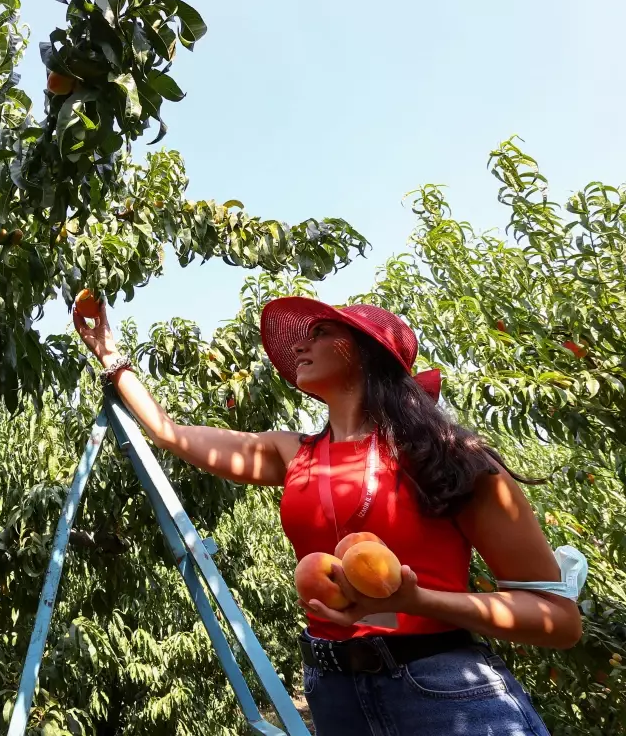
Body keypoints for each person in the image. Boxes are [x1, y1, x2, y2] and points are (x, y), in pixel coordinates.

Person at [73, 296, 581, 736]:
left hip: (442, 686)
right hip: (332, 691)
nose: (300, 344)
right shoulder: (292, 454)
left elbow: (559, 621)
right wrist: (111, 356)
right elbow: (170, 434)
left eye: (322, 332)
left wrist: (417, 600)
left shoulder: (445, 457)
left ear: (366, 352)